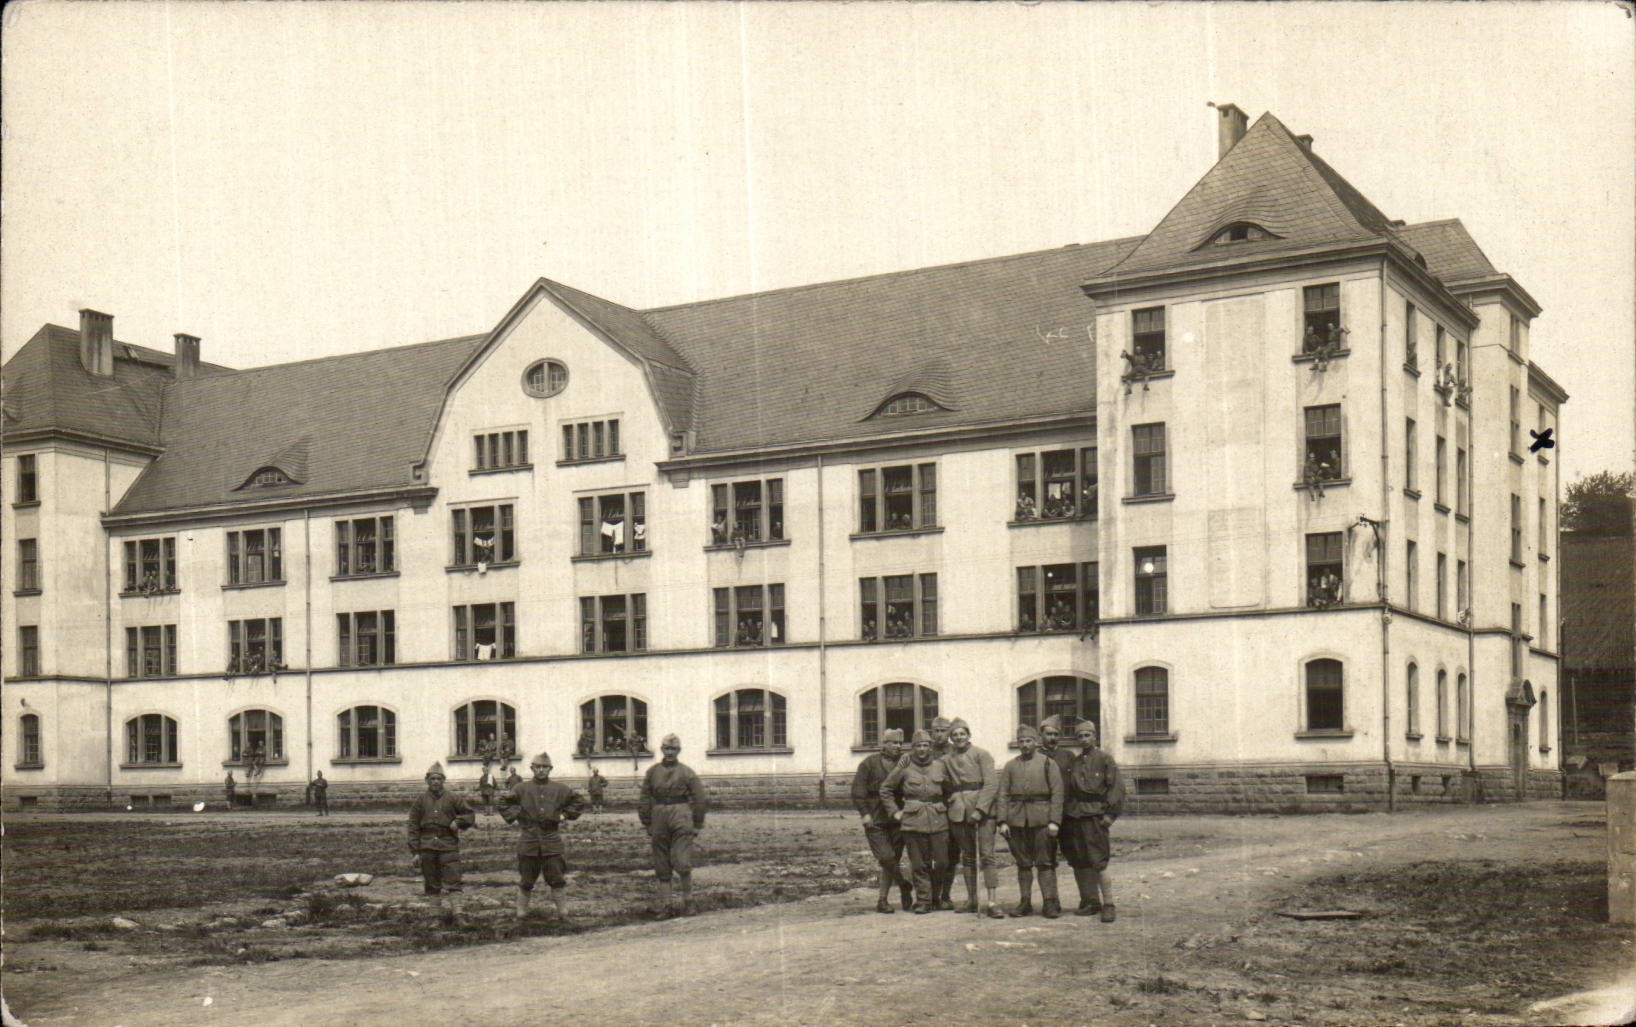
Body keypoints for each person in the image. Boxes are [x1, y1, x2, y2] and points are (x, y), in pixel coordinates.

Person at [500, 751, 586, 919]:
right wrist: (517, 813)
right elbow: (502, 801)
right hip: (528, 841)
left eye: (545, 767)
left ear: (550, 769)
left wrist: (564, 815)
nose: (541, 770)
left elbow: (578, 801)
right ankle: (521, 914)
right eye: (537, 767)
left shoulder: (560, 789)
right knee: (526, 880)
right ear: (532, 768)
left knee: (557, 879)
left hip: (551, 841)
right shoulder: (521, 788)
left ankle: (563, 914)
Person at [880, 730, 953, 915]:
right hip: (913, 821)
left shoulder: (940, 766)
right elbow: (886, 789)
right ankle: (923, 901)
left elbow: (950, 790)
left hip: (938, 819)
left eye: (925, 745)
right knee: (919, 864)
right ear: (913, 748)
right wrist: (894, 812)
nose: (922, 749)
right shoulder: (904, 766)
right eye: (918, 746)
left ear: (930, 747)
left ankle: (936, 897)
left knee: (942, 862)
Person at [997, 724, 1065, 917]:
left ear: (1036, 742)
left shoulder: (1048, 763)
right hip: (1017, 820)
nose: (1025, 745)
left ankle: (1049, 903)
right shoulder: (1010, 766)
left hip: (1042, 820)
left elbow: (1057, 793)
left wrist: (1054, 821)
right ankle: (1025, 902)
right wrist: (1002, 821)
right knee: (1023, 863)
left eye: (1029, 741)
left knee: (1045, 863)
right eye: (1021, 741)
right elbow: (1002, 794)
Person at [639, 733, 708, 918]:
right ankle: (666, 905)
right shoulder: (652, 772)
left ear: (679, 751)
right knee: (661, 862)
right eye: (667, 748)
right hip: (659, 814)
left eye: (674, 749)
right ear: (662, 750)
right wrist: (646, 821)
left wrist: (697, 823)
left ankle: (689, 902)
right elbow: (644, 797)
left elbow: (699, 798)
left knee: (682, 861)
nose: (670, 752)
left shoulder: (687, 772)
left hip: (681, 813)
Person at [1062, 722, 1125, 922]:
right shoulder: (1075, 762)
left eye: (1087, 735)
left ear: (1095, 737)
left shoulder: (1105, 759)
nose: (1084, 739)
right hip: (1075, 817)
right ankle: (1090, 901)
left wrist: (1110, 816)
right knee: (1080, 860)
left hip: (1095, 816)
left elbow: (1116, 789)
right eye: (1080, 736)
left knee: (1099, 861)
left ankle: (1109, 904)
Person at [943, 718, 1004, 918]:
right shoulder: (946, 759)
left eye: (962, 734)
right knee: (968, 857)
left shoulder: (982, 755)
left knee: (986, 856)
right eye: (955, 735)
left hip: (983, 814)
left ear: (969, 735)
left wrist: (980, 810)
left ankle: (992, 902)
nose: (959, 737)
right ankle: (972, 899)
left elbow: (991, 785)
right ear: (951, 738)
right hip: (959, 812)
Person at [851, 728, 914, 913]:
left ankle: (882, 900)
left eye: (900, 743)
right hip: (876, 818)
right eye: (894, 743)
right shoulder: (869, 763)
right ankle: (903, 885)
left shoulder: (905, 763)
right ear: (884, 744)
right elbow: (858, 791)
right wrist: (865, 813)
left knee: (893, 859)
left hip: (897, 817)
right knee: (886, 858)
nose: (898, 746)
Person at [406, 761, 477, 924]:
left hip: (448, 845)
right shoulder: (420, 801)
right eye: (432, 779)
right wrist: (415, 852)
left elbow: (470, 814)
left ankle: (459, 915)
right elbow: (413, 826)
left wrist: (458, 822)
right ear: (427, 780)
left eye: (439, 779)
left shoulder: (453, 798)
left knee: (454, 879)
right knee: (431, 882)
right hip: (427, 846)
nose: (436, 782)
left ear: (443, 780)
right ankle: (435, 916)